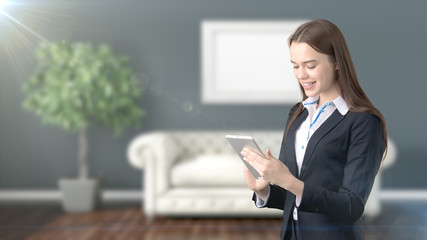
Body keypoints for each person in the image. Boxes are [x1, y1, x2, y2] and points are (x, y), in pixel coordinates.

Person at [240, 19, 387, 240]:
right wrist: (265, 190)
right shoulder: (297, 114)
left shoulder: (363, 122)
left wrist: (288, 181)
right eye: (295, 65)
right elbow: (295, 198)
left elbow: (352, 205)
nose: (301, 75)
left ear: (337, 62)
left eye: (310, 66)